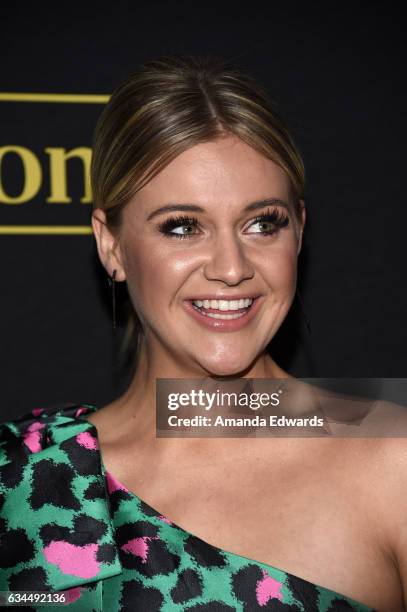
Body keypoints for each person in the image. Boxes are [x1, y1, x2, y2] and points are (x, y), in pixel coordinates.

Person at [0, 54, 406, 612]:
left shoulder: (393, 459)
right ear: (111, 244)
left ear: (300, 231)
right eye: (183, 227)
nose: (231, 266)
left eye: (262, 223)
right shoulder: (23, 477)